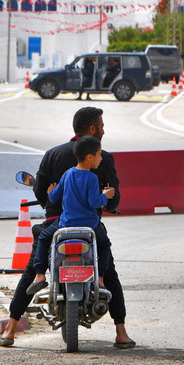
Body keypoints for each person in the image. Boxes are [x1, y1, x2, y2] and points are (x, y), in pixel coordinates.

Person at [1, 107, 135, 349]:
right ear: (93, 129)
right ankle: (121, 332)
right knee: (109, 270)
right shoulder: (101, 157)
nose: (104, 130)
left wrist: (54, 202)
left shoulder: (52, 155)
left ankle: (10, 329)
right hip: (90, 228)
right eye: (102, 125)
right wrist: (107, 200)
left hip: (57, 224)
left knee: (31, 270)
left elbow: (44, 195)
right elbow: (112, 201)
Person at [27, 136, 115, 295]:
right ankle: (101, 278)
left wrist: (50, 192)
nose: (101, 158)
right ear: (90, 157)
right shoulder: (92, 178)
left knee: (44, 238)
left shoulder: (67, 174)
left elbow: (53, 198)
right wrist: (106, 196)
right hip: (90, 225)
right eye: (99, 155)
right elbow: (94, 203)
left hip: (65, 224)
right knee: (104, 245)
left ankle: (39, 275)